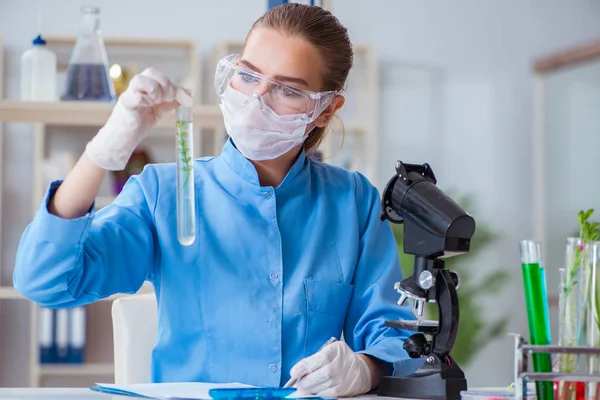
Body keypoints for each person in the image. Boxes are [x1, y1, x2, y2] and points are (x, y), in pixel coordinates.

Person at [14, 3, 415, 397]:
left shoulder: (353, 202)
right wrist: (101, 153)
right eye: (248, 75)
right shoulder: (164, 193)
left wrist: (365, 369)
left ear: (326, 109)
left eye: (288, 89)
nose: (258, 98)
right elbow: (46, 281)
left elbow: (398, 338)